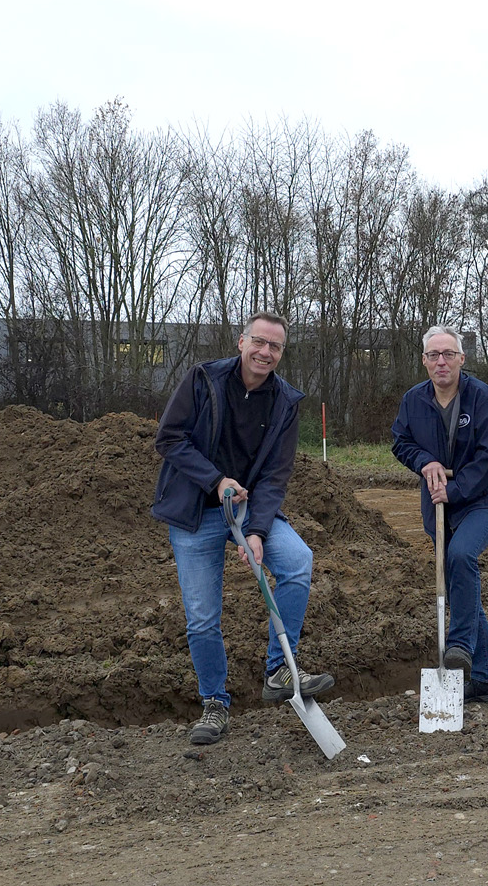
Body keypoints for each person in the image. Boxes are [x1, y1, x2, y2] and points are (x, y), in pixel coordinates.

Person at [151, 310, 334, 746]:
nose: (265, 352)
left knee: (297, 562)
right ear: (241, 341)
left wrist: (258, 532)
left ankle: (278, 669)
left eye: (275, 347)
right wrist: (215, 481)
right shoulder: (203, 380)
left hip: (248, 508)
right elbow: (169, 438)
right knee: (201, 618)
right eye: (259, 342)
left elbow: (275, 475)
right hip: (195, 512)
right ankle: (214, 702)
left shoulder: (285, 402)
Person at [391, 325, 488, 703]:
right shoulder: (414, 401)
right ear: (424, 361)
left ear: (462, 359)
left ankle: (458, 645)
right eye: (433, 355)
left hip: (484, 499)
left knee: (461, 556)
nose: (440, 361)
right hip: (439, 504)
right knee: (462, 586)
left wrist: (455, 490)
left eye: (448, 354)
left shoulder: (483, 398)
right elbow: (401, 442)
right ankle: (484, 679)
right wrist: (425, 461)